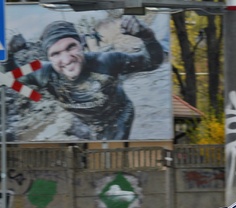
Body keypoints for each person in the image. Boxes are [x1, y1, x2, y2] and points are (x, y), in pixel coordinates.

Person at [11, 16, 164, 141]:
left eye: (71, 47)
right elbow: (9, 77)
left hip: (118, 117)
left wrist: (147, 36)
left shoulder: (107, 61)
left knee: (111, 160)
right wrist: (7, 57)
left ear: (82, 45)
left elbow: (152, 62)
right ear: (48, 58)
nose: (66, 59)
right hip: (85, 121)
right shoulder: (43, 72)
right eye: (55, 54)